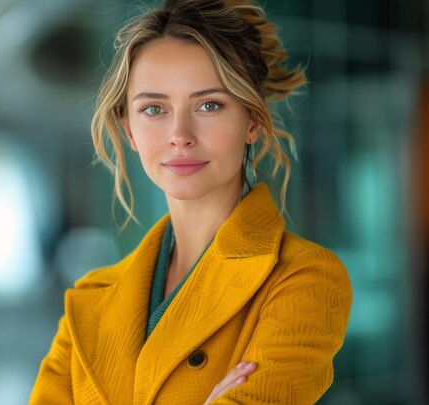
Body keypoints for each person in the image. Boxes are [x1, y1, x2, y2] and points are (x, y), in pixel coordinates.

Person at [29, 0, 353, 403]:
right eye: (153, 109)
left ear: (252, 120)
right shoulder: (91, 299)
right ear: (129, 130)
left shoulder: (302, 279)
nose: (179, 134)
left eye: (209, 105)